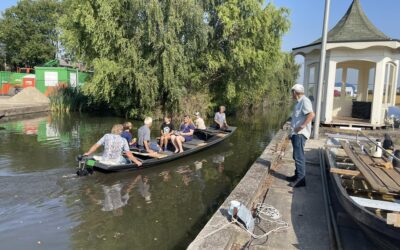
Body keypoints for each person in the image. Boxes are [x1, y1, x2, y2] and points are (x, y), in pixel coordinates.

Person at [286, 84, 315, 188]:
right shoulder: (299, 102)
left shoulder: (304, 101)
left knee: (299, 156)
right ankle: (297, 175)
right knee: (296, 156)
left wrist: (301, 126)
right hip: (295, 134)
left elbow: (311, 115)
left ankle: (301, 180)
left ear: (295, 92)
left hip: (300, 134)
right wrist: (292, 132)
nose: (291, 95)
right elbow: (297, 118)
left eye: (292, 93)